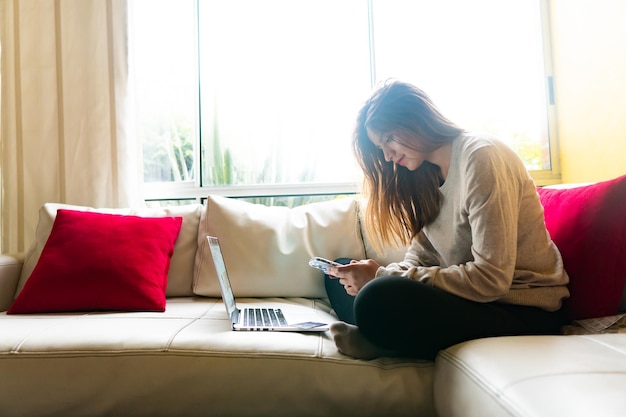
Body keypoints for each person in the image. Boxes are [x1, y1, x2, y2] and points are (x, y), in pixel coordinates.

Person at [325, 80, 570, 361]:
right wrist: (376, 276)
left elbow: (492, 281)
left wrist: (383, 276)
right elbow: (420, 260)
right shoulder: (425, 175)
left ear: (416, 119)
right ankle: (382, 330)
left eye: (390, 138)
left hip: (522, 309)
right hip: (469, 301)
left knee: (376, 294)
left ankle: (383, 338)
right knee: (341, 272)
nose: (388, 156)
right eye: (382, 148)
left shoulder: (481, 157)